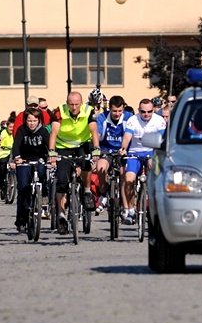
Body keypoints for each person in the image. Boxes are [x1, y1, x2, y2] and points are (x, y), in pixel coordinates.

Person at [48, 91, 101, 235]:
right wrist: (52, 152)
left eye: (77, 104)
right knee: (62, 181)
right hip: (63, 146)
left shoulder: (88, 110)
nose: (74, 107)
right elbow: (53, 132)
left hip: (82, 144)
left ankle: (87, 190)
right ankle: (61, 215)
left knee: (86, 164)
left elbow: (94, 130)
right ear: (67, 103)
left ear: (81, 103)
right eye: (71, 104)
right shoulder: (59, 111)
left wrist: (96, 149)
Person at [119, 98, 166, 225]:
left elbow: (162, 139)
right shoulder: (133, 120)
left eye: (149, 111)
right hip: (135, 153)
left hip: (152, 152)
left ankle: (153, 201)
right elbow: (127, 137)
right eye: (143, 112)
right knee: (129, 180)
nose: (146, 114)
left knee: (153, 168)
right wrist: (123, 149)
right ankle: (131, 208)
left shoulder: (159, 120)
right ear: (139, 110)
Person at [10, 107, 50, 234]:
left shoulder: (43, 131)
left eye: (34, 121)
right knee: (23, 189)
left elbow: (49, 146)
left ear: (39, 121)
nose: (32, 123)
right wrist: (17, 158)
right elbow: (16, 146)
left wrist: (51, 158)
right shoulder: (22, 131)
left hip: (39, 160)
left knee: (44, 175)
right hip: (24, 161)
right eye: (29, 121)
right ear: (25, 121)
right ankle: (21, 219)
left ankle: (43, 198)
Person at [93, 95, 132, 214]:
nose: (117, 113)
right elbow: (98, 135)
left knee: (123, 173)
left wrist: (125, 149)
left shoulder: (129, 118)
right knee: (100, 168)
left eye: (120, 111)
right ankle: (103, 192)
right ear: (109, 109)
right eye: (114, 111)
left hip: (123, 150)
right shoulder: (102, 118)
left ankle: (124, 201)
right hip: (106, 149)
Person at [0, 114, 16, 206]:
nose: (11, 129)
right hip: (3, 153)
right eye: (10, 127)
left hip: (12, 152)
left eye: (13, 127)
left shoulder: (16, 134)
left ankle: (13, 181)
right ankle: (2, 184)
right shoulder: (3, 133)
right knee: (2, 167)